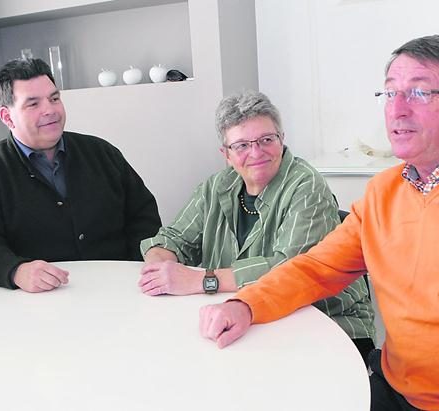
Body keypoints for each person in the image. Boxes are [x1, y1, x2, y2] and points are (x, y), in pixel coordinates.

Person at [199, 34, 439, 410]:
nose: (397, 110)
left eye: (420, 93)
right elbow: (316, 268)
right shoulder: (384, 191)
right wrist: (246, 304)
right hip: (394, 390)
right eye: (390, 93)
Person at [139, 90, 375, 360]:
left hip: (327, 322)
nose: (256, 152)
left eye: (266, 140)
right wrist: (160, 268)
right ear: (226, 154)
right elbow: (172, 238)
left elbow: (290, 271)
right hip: (247, 320)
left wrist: (202, 280)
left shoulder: (306, 185)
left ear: (282, 140)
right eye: (241, 145)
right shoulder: (216, 186)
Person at [0, 58, 161, 292]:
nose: (50, 110)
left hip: (119, 289)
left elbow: (144, 216)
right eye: (33, 104)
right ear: (7, 117)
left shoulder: (102, 153)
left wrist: (142, 265)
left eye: (54, 99)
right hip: (36, 302)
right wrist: (16, 270)